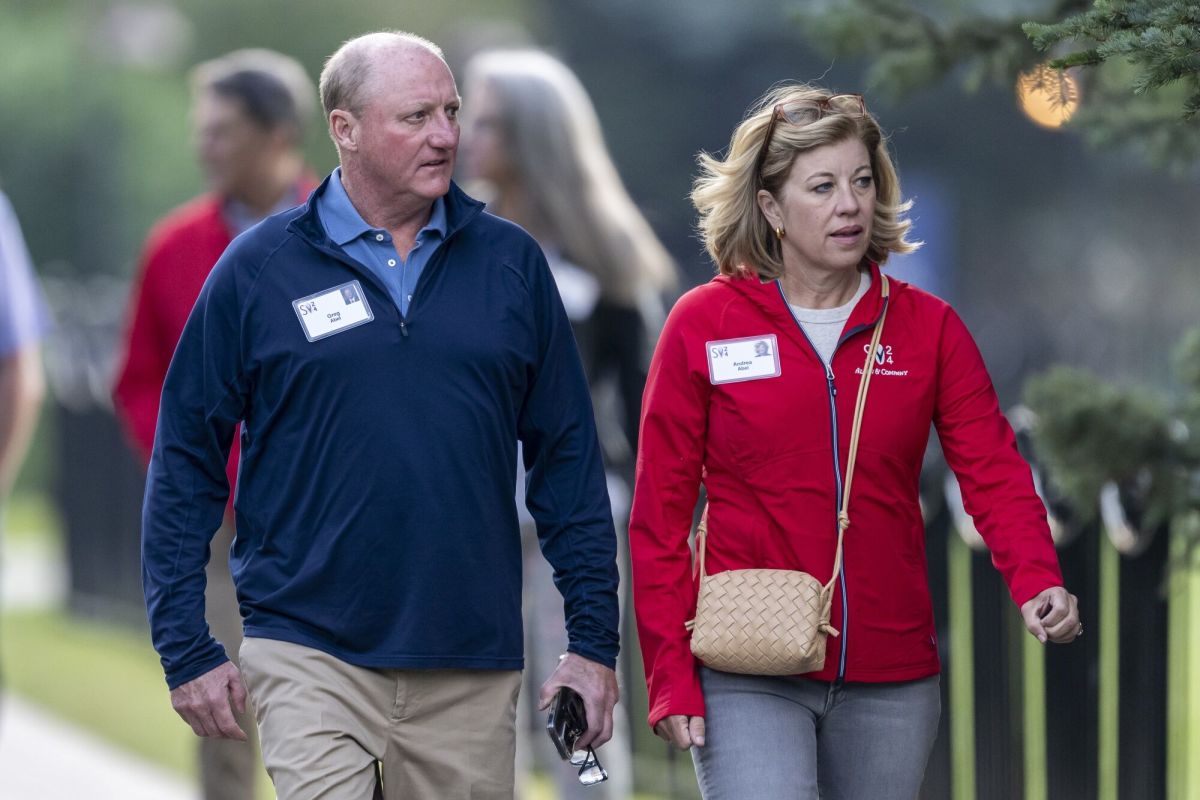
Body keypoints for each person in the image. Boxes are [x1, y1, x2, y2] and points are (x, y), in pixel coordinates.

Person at [140, 31, 620, 800]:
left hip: (469, 660)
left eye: (452, 111)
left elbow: (567, 463)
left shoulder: (511, 264)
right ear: (345, 129)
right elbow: (185, 458)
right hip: (307, 648)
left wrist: (594, 642)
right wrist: (184, 645)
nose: (445, 135)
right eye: (416, 115)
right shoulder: (259, 269)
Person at [628, 83, 1081, 799]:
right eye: (823, 187)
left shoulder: (928, 328)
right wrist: (668, 676)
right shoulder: (704, 323)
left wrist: (1037, 578)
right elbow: (659, 515)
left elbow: (992, 468)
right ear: (771, 208)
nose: (849, 204)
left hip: (891, 673)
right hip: (748, 663)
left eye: (862, 182)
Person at [460, 48, 676, 799]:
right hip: (468, 517)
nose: (465, 138)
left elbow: (652, 403)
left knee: (573, 713)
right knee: (478, 710)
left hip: (572, 523)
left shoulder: (607, 254)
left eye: (484, 121)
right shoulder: (454, 241)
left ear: (531, 135)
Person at [112, 47, 318, 800]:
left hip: (331, 521)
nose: (204, 146)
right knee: (224, 710)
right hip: (222, 529)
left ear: (278, 132)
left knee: (347, 716)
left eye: (221, 130)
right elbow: (136, 379)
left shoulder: (347, 232)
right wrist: (188, 475)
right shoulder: (172, 247)